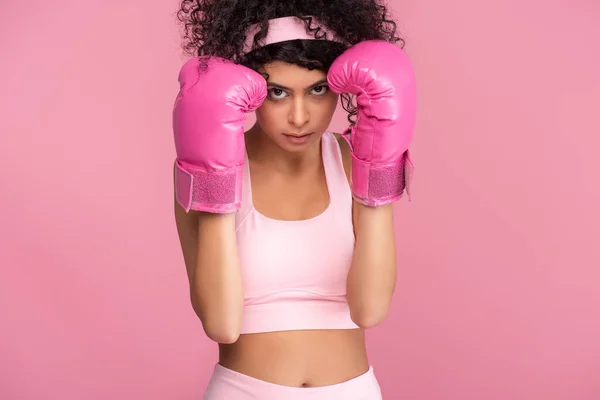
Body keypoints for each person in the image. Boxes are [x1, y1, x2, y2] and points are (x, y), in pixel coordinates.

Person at [172, 0, 416, 398]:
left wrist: (377, 169)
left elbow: (370, 309)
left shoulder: (355, 160)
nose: (300, 117)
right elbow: (220, 323)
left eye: (317, 89)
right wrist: (216, 173)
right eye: (278, 92)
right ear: (248, 90)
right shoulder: (199, 168)